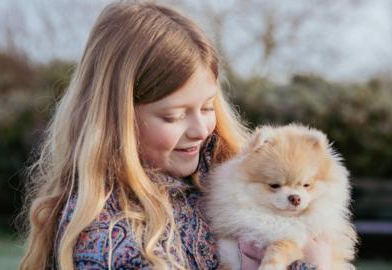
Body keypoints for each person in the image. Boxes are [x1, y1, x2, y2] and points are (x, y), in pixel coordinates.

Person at [19, 1, 332, 269]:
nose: (200, 130)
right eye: (174, 115)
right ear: (119, 118)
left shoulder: (223, 172)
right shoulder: (106, 233)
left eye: (208, 107)